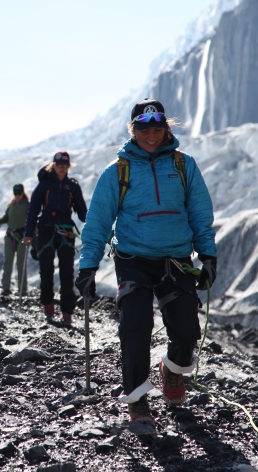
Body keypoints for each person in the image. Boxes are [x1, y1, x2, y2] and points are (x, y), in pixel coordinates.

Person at [75, 99, 217, 426]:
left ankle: (171, 369)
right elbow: (97, 223)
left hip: (176, 261)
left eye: (157, 128)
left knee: (186, 331)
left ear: (166, 128)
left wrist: (208, 256)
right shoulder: (118, 171)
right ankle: (137, 401)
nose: (151, 135)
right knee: (135, 326)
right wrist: (87, 267)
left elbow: (199, 213)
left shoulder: (184, 165)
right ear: (132, 129)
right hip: (133, 260)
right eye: (143, 128)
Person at [23, 151, 87, 325]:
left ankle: (67, 312)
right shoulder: (44, 184)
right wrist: (28, 234)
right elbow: (33, 209)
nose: (62, 168)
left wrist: (91, 222)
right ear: (54, 165)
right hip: (45, 230)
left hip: (66, 231)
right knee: (46, 270)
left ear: (69, 166)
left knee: (67, 272)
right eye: (59, 165)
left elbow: (81, 210)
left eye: (65, 165)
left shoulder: (73, 186)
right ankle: (48, 306)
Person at [0, 183, 30, 296]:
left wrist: (30, 234)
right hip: (10, 236)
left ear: (23, 193)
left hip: (23, 237)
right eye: (15, 193)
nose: (17, 195)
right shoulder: (11, 205)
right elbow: (6, 218)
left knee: (20, 263)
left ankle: (23, 290)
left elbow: (33, 221)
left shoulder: (28, 205)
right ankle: (5, 288)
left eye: (19, 193)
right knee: (8, 261)